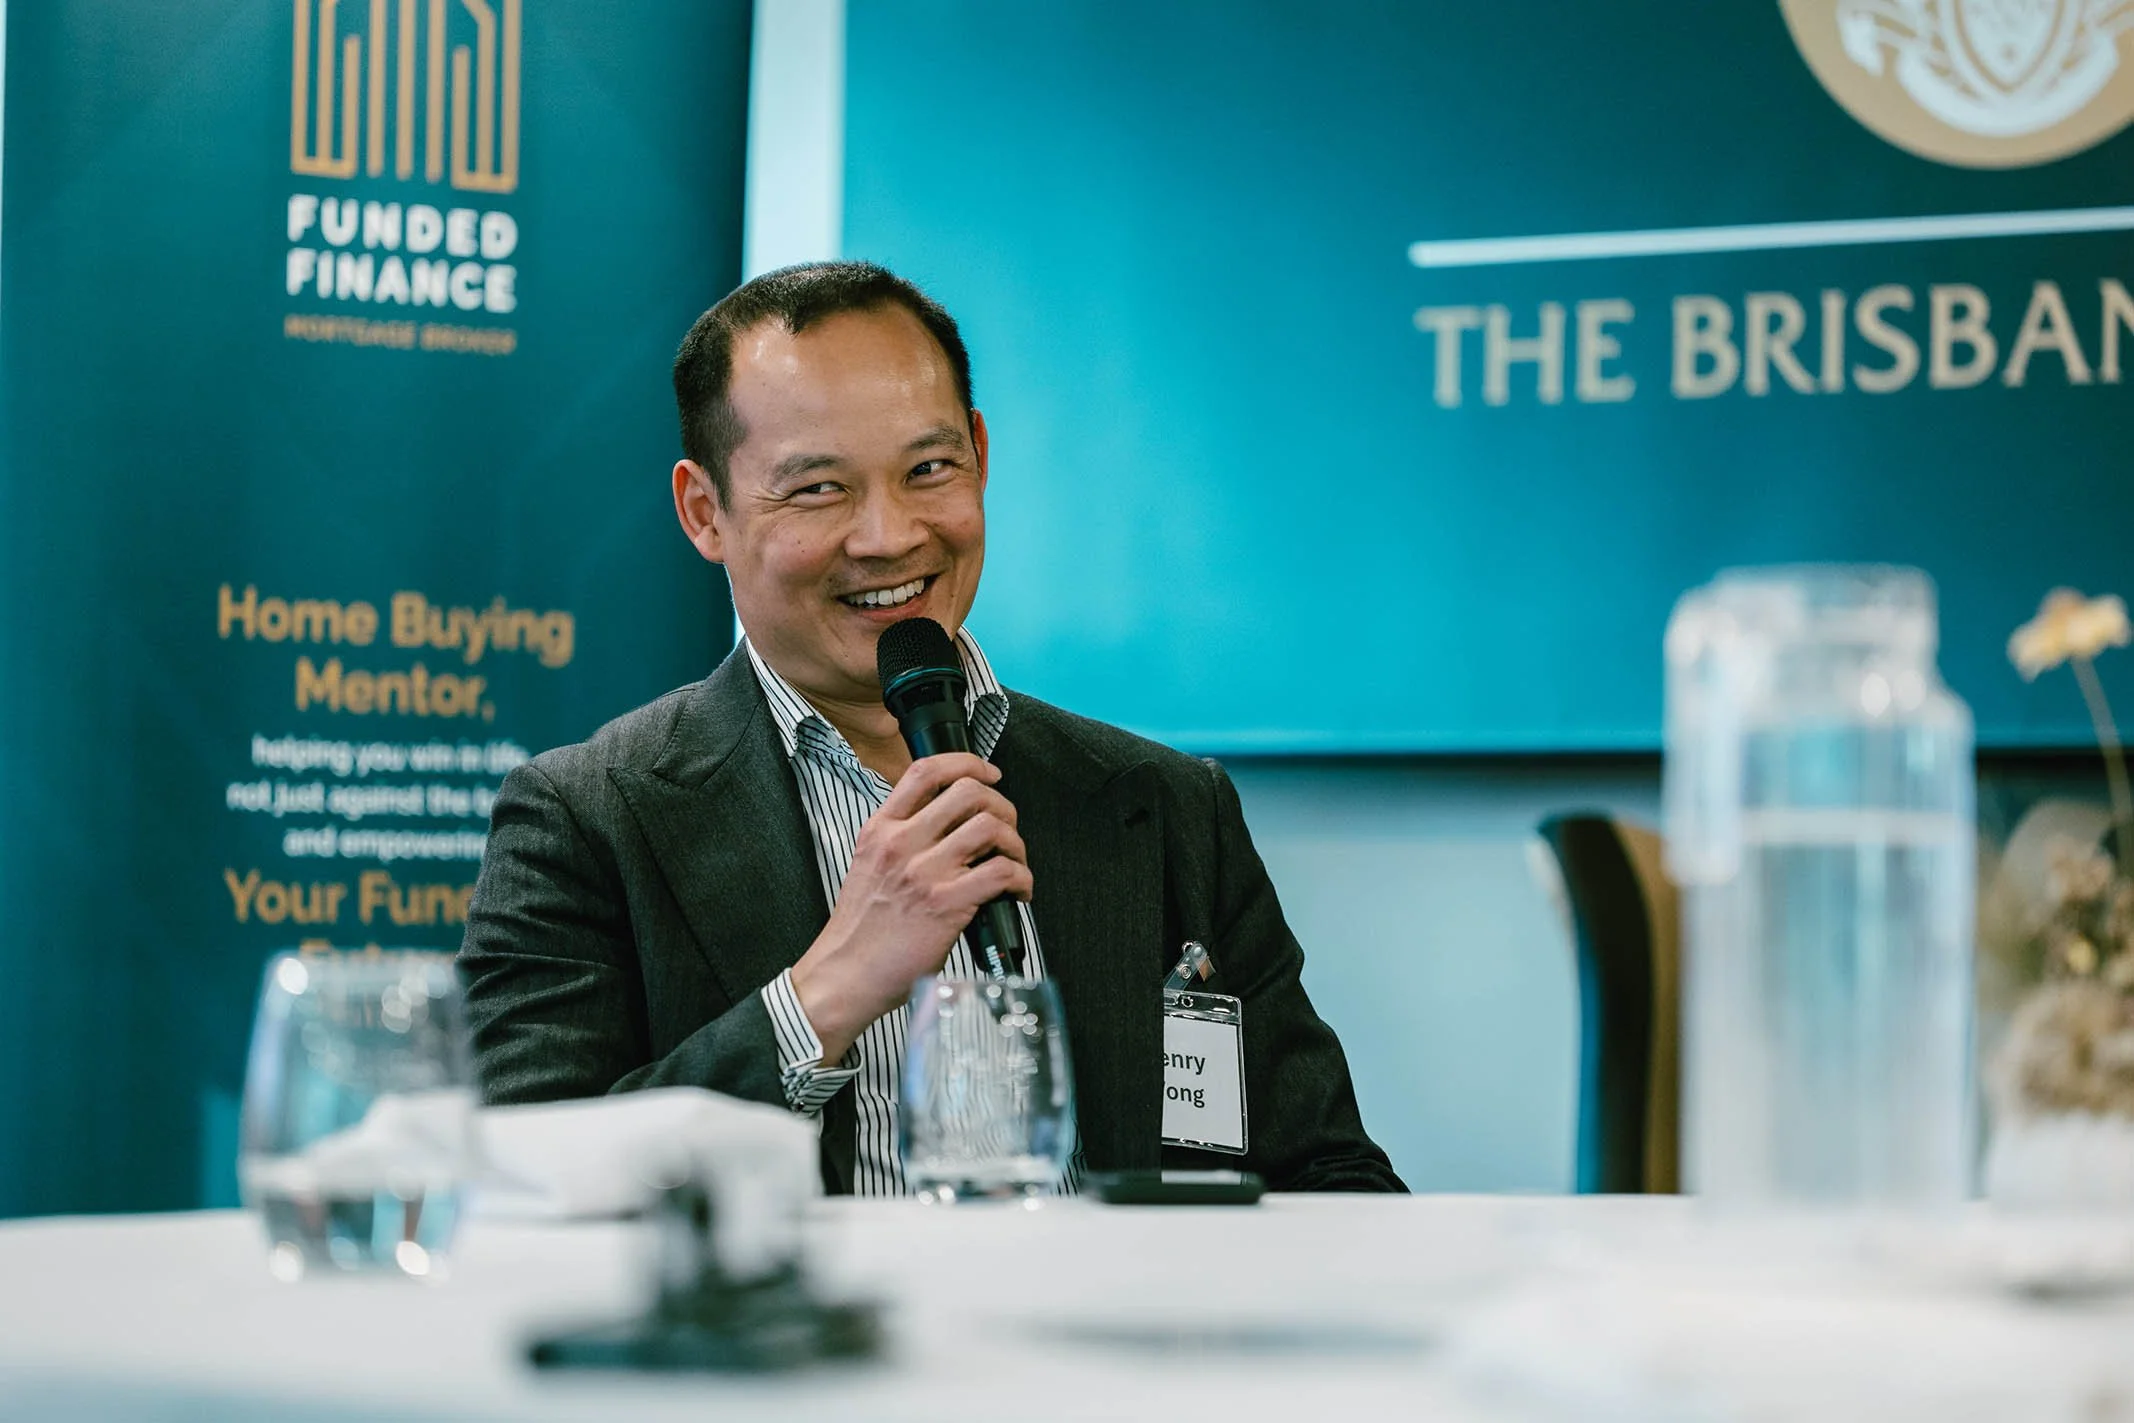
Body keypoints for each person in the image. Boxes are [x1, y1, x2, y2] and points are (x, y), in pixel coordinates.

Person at [458, 261, 1403, 1194]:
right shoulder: (587, 817)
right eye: (819, 489)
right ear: (706, 511)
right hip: (801, 1345)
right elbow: (522, 1183)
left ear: (981, 458)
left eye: (928, 469)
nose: (889, 534)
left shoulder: (1165, 804)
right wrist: (827, 987)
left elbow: (1328, 1175)